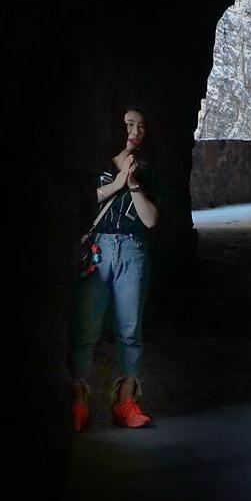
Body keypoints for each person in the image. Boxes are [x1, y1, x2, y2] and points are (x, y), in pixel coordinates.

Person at [69, 108, 161, 431]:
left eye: (141, 126)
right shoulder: (98, 163)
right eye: (129, 125)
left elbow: (150, 219)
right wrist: (116, 182)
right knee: (85, 329)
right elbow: (83, 202)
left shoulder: (148, 170)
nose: (135, 131)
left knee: (130, 331)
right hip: (97, 249)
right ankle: (78, 400)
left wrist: (132, 183)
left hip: (132, 250)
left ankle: (125, 401)